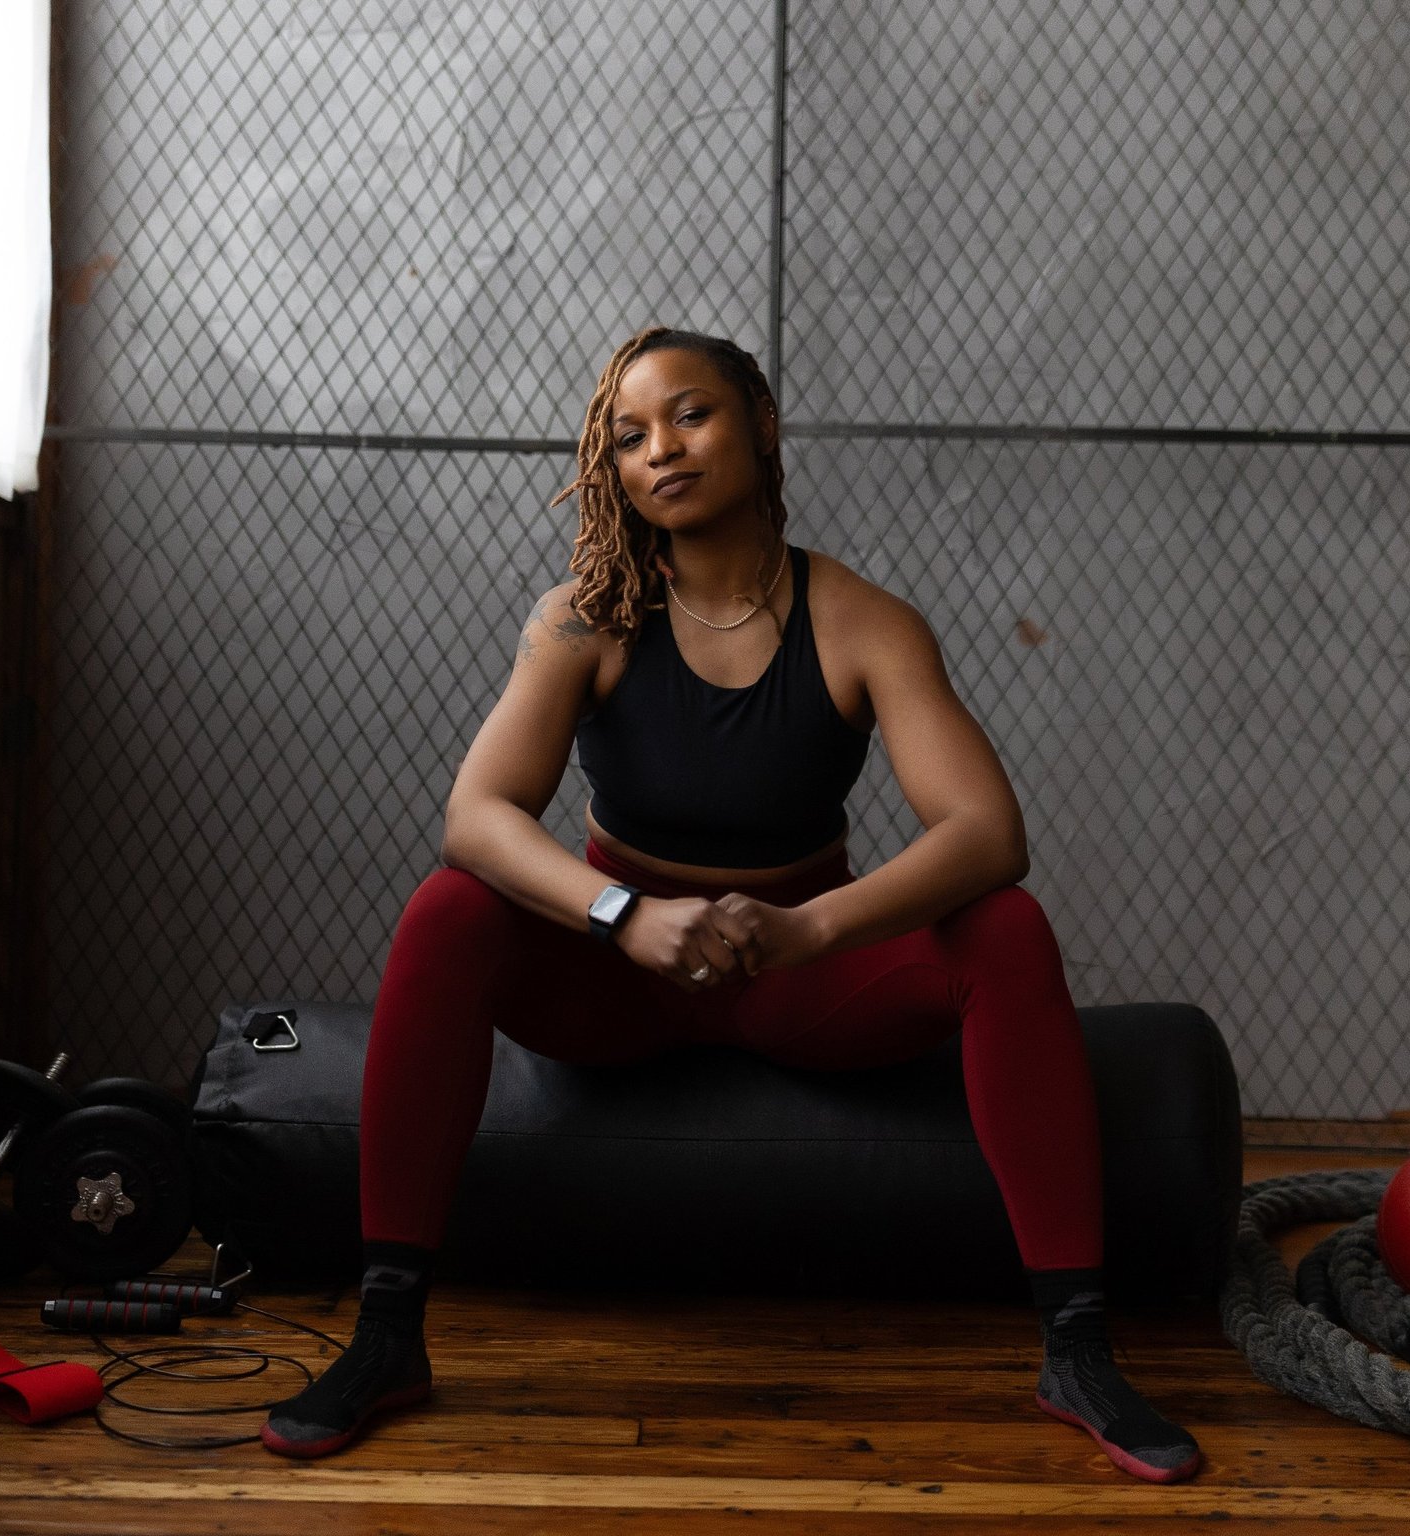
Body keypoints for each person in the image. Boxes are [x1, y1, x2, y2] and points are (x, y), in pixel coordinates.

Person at [260, 326, 1201, 1483]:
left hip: (796, 972)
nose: (661, 449)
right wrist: (621, 914)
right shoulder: (581, 619)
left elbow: (986, 833)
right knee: (446, 910)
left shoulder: (863, 621)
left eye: (690, 415)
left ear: (760, 420)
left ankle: (1078, 1348)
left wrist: (811, 929)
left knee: (1007, 930)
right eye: (628, 435)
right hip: (617, 982)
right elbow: (479, 814)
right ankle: (389, 1333)